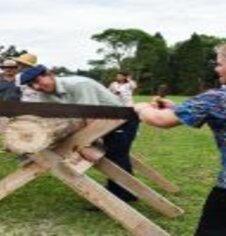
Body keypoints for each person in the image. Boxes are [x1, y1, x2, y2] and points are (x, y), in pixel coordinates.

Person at [134, 41, 226, 235]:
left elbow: (159, 120)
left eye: (219, 64)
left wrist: (141, 108)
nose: (217, 69)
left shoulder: (220, 98)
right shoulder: (220, 101)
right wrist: (179, 110)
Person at [20, 65, 139, 202]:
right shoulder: (44, 95)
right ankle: (123, 191)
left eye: (38, 81)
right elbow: (54, 118)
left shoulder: (79, 85)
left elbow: (90, 114)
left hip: (121, 121)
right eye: (31, 85)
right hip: (99, 124)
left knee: (116, 155)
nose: (36, 87)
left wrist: (87, 144)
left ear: (50, 74)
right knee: (114, 155)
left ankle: (123, 194)